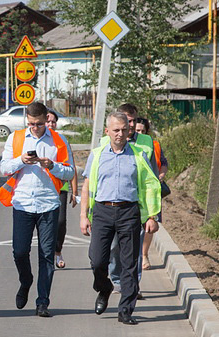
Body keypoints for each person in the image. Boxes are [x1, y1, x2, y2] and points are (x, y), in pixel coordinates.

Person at [80, 111, 162, 325]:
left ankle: (126, 310)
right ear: (107, 131)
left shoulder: (138, 154)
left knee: (129, 264)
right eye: (116, 130)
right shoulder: (97, 154)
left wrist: (152, 216)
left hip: (129, 212)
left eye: (125, 130)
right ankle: (104, 287)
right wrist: (83, 215)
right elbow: (87, 185)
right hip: (102, 211)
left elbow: (149, 186)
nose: (120, 134)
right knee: (97, 260)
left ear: (129, 131)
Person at [0, 102, 74, 317]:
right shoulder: (16, 138)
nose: (35, 128)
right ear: (27, 120)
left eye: (39, 124)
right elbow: (4, 168)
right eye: (31, 124)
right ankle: (25, 280)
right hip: (22, 204)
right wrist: (21, 160)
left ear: (46, 120)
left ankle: (43, 303)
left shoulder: (58, 140)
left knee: (47, 255)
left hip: (49, 204)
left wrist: (52, 166)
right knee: (20, 251)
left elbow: (70, 172)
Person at [45, 108, 79, 269]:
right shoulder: (37, 140)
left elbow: (71, 166)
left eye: (53, 121)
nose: (51, 124)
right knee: (45, 223)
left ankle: (57, 251)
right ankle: (47, 256)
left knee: (60, 221)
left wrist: (75, 192)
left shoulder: (62, 140)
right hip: (43, 188)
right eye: (48, 121)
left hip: (61, 187)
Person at [134, 117, 169, 270]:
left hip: (151, 190)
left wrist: (160, 176)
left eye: (143, 130)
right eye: (137, 130)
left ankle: (144, 254)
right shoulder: (129, 145)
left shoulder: (153, 144)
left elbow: (164, 164)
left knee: (149, 223)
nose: (140, 133)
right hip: (135, 191)